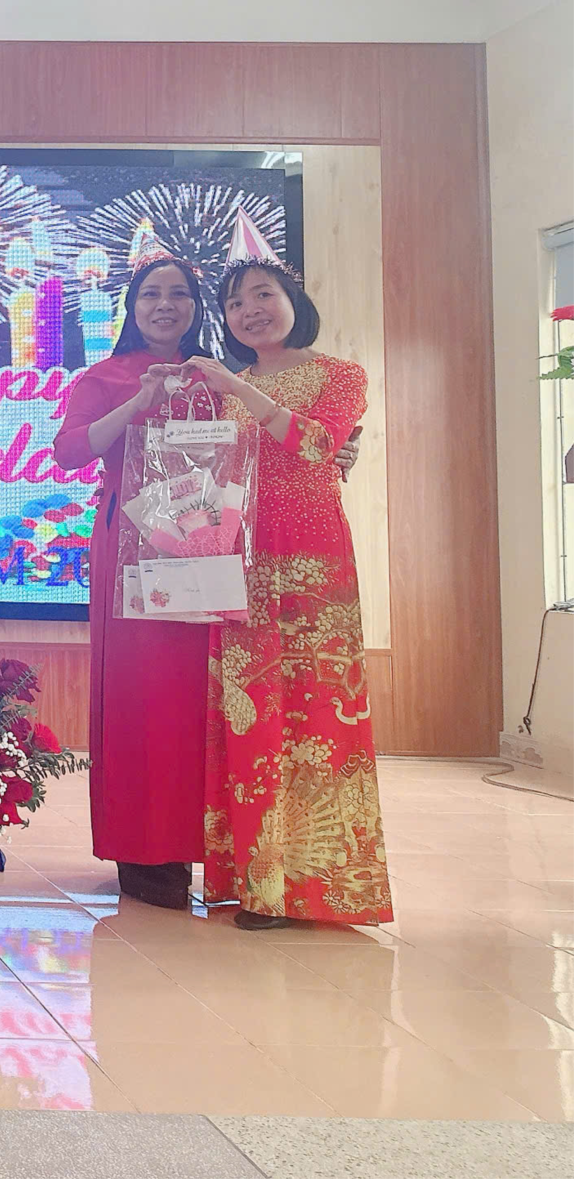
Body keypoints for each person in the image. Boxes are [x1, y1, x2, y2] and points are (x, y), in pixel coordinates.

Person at [190, 261, 392, 930]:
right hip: (241, 563)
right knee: (250, 714)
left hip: (312, 565)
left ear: (293, 300)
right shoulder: (230, 387)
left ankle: (319, 886)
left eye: (263, 295)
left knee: (317, 714)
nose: (249, 310)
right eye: (235, 302)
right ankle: (257, 884)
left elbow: (316, 444)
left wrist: (241, 393)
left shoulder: (340, 375)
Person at [49, 255, 221, 910]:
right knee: (140, 695)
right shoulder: (106, 376)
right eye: (151, 294)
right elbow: (68, 452)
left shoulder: (217, 376)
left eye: (179, 294)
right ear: (131, 306)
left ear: (196, 306)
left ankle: (206, 845)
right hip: (130, 549)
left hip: (208, 545)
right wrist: (140, 402)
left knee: (199, 696)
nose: (164, 305)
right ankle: (145, 852)